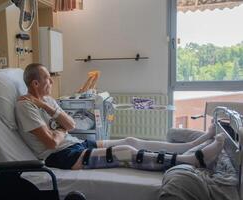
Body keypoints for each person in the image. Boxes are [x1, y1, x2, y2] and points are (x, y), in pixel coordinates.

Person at [15, 63, 225, 171]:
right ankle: (192, 159)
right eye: (48, 80)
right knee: (125, 152)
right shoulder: (26, 107)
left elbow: (70, 124)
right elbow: (51, 143)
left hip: (74, 144)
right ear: (35, 83)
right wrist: (61, 130)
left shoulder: (47, 101)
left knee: (130, 140)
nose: (51, 83)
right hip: (60, 157)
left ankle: (193, 144)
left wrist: (53, 116)